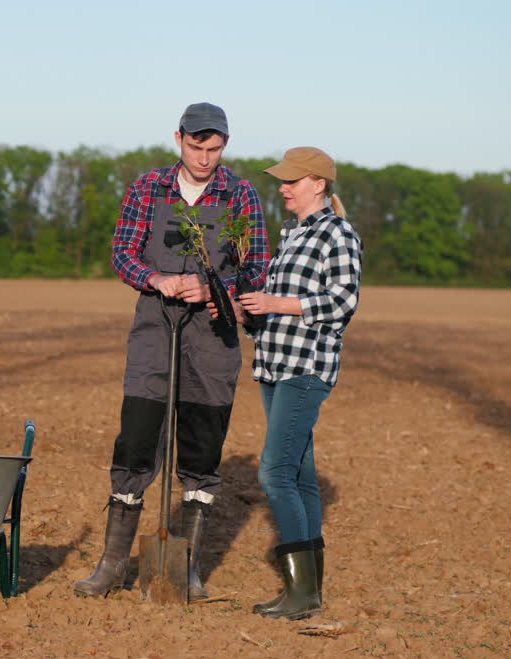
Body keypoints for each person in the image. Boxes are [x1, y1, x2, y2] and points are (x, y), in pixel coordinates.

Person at [74, 102, 269, 601]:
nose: (205, 158)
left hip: (212, 335)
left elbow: (256, 270)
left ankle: (187, 567)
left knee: (203, 446)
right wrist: (156, 278)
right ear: (178, 139)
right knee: (137, 439)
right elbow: (123, 252)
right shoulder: (148, 188)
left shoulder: (241, 194)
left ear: (225, 145)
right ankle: (114, 563)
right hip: (154, 329)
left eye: (215, 148)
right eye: (196, 146)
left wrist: (212, 289)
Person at [223, 146, 362, 620]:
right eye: (281, 180)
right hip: (275, 363)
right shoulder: (292, 234)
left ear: (318, 184)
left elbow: (342, 302)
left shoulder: (337, 234)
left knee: (274, 472)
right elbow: (279, 305)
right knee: (300, 476)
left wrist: (277, 304)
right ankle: (307, 592)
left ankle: (301, 592)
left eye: (292, 181)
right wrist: (248, 312)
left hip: (306, 367)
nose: (282, 188)